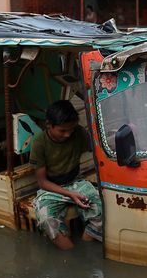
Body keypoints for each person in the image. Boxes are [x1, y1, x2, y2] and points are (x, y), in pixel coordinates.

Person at [30, 100, 103, 250]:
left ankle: (86, 245)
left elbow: (98, 151)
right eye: (62, 131)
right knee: (48, 222)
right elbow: (42, 182)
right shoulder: (39, 143)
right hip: (50, 189)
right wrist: (70, 194)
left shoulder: (78, 133)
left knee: (102, 207)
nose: (68, 134)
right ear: (49, 125)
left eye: (71, 129)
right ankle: (73, 254)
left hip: (76, 182)